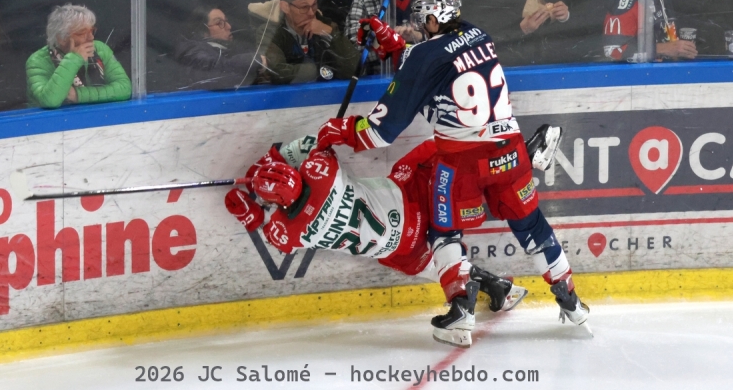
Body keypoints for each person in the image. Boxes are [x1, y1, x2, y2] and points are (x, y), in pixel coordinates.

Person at [314, 0, 590, 341]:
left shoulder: (425, 56)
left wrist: (340, 131)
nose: (421, 23)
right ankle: (571, 300)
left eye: (424, 17)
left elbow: (380, 132)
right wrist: (399, 49)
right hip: (510, 152)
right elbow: (442, 73)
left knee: (444, 232)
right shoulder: (479, 34)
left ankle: (461, 310)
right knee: (532, 226)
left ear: (433, 15)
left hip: (462, 164)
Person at [225, 134, 531, 348]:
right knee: (434, 152)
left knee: (434, 265)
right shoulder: (321, 172)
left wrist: (248, 210)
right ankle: (510, 163)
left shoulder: (290, 230)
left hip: (396, 247)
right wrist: (269, 161)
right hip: (409, 202)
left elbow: (269, 231)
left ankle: (491, 290)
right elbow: (311, 144)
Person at [26, 4, 131, 108]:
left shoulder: (100, 49)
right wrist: (73, 59)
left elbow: (125, 88)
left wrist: (79, 95)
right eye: (82, 33)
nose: (91, 37)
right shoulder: (37, 61)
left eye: (92, 31)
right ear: (62, 39)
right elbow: (50, 101)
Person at [261, 0, 360, 84]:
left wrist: (332, 34)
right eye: (304, 8)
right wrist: (316, 70)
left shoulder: (327, 26)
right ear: (285, 7)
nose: (311, 13)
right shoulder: (270, 32)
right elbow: (277, 73)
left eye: (314, 5)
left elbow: (355, 70)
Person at [174, 6, 265, 89]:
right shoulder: (192, 53)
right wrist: (253, 60)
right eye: (219, 23)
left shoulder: (234, 48)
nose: (229, 27)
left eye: (226, 21)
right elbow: (211, 72)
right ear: (202, 31)